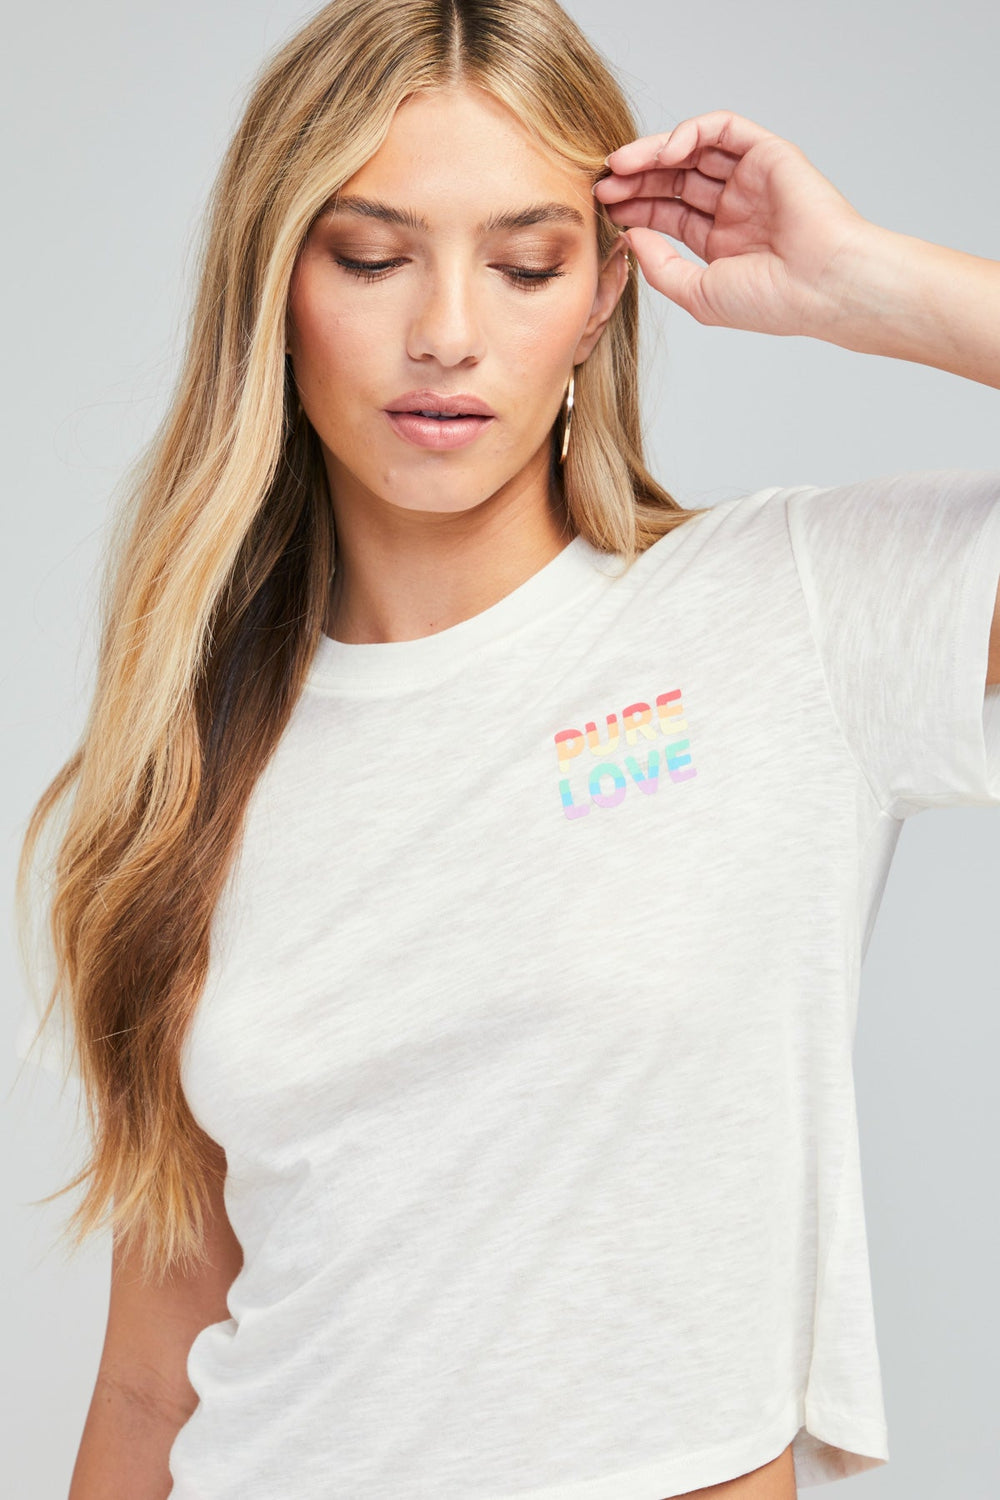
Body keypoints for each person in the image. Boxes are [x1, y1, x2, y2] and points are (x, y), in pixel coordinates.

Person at [13, 1, 1000, 1497]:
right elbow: (154, 1379)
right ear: (275, 286)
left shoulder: (787, 615)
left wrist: (866, 284)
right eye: (371, 256)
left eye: (526, 264)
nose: (447, 333)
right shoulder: (183, 771)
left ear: (601, 296)